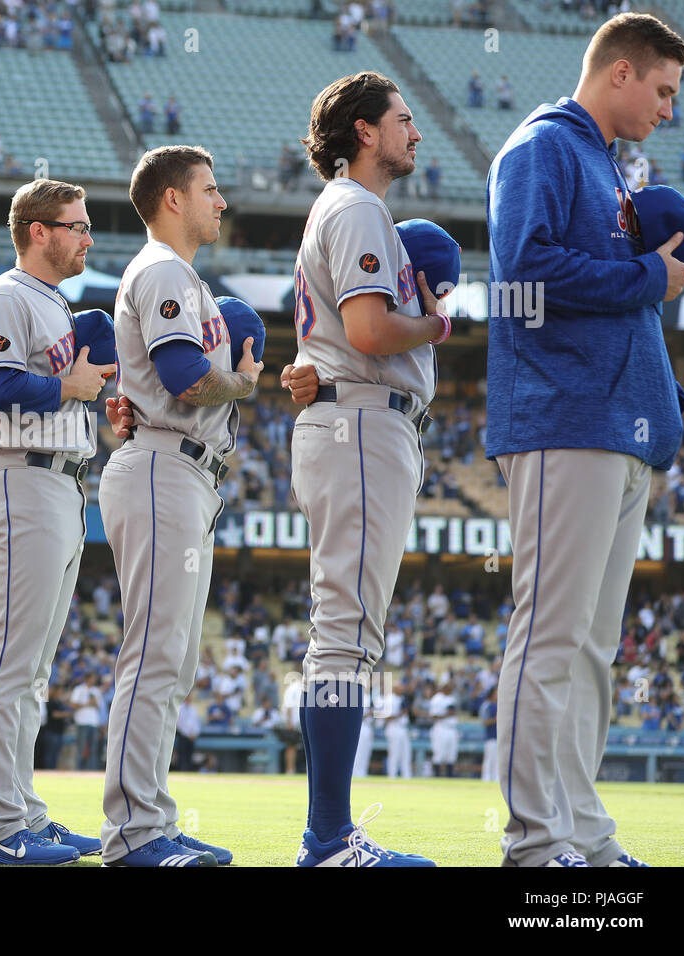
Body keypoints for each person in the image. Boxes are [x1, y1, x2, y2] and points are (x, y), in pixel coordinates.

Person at [486, 12, 684, 869]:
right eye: (665, 90)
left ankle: (583, 835)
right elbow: (523, 273)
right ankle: (536, 842)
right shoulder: (540, 148)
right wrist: (650, 275)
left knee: (593, 649)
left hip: (619, 430)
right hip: (564, 418)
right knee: (552, 635)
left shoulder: (605, 165)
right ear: (620, 74)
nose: (670, 111)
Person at [288, 71, 448, 866]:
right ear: (363, 131)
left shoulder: (348, 209)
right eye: (403, 119)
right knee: (346, 636)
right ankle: (327, 837)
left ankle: (328, 833)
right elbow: (373, 330)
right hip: (360, 422)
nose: (414, 134)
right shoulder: (356, 207)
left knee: (344, 634)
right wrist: (437, 323)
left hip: (351, 418)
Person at [98, 146, 259, 868]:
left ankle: (152, 817)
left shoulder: (180, 274)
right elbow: (188, 379)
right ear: (172, 198)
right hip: (165, 462)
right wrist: (246, 381)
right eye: (210, 189)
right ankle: (133, 831)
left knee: (173, 658)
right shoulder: (164, 268)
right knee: (155, 653)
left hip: (179, 467)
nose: (221, 202)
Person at [0, 178, 111, 865]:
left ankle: (23, 811)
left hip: (60, 481)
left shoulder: (53, 303)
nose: (86, 237)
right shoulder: (4, 296)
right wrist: (69, 388)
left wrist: (85, 401)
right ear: (37, 231)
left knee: (33, 669)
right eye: (75, 226)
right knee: (11, 661)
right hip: (22, 477)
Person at [427, 681, 458, 777]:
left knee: (451, 755)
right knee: (439, 754)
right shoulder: (437, 699)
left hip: (452, 729)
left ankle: (450, 778)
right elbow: (433, 716)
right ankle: (437, 777)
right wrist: (446, 714)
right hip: (441, 728)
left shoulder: (452, 698)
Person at [480, 685, 498, 782]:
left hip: (499, 738)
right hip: (490, 737)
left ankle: (496, 779)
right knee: (489, 760)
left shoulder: (500, 705)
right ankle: (486, 778)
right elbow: (484, 721)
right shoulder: (487, 705)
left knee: (497, 761)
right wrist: (495, 720)